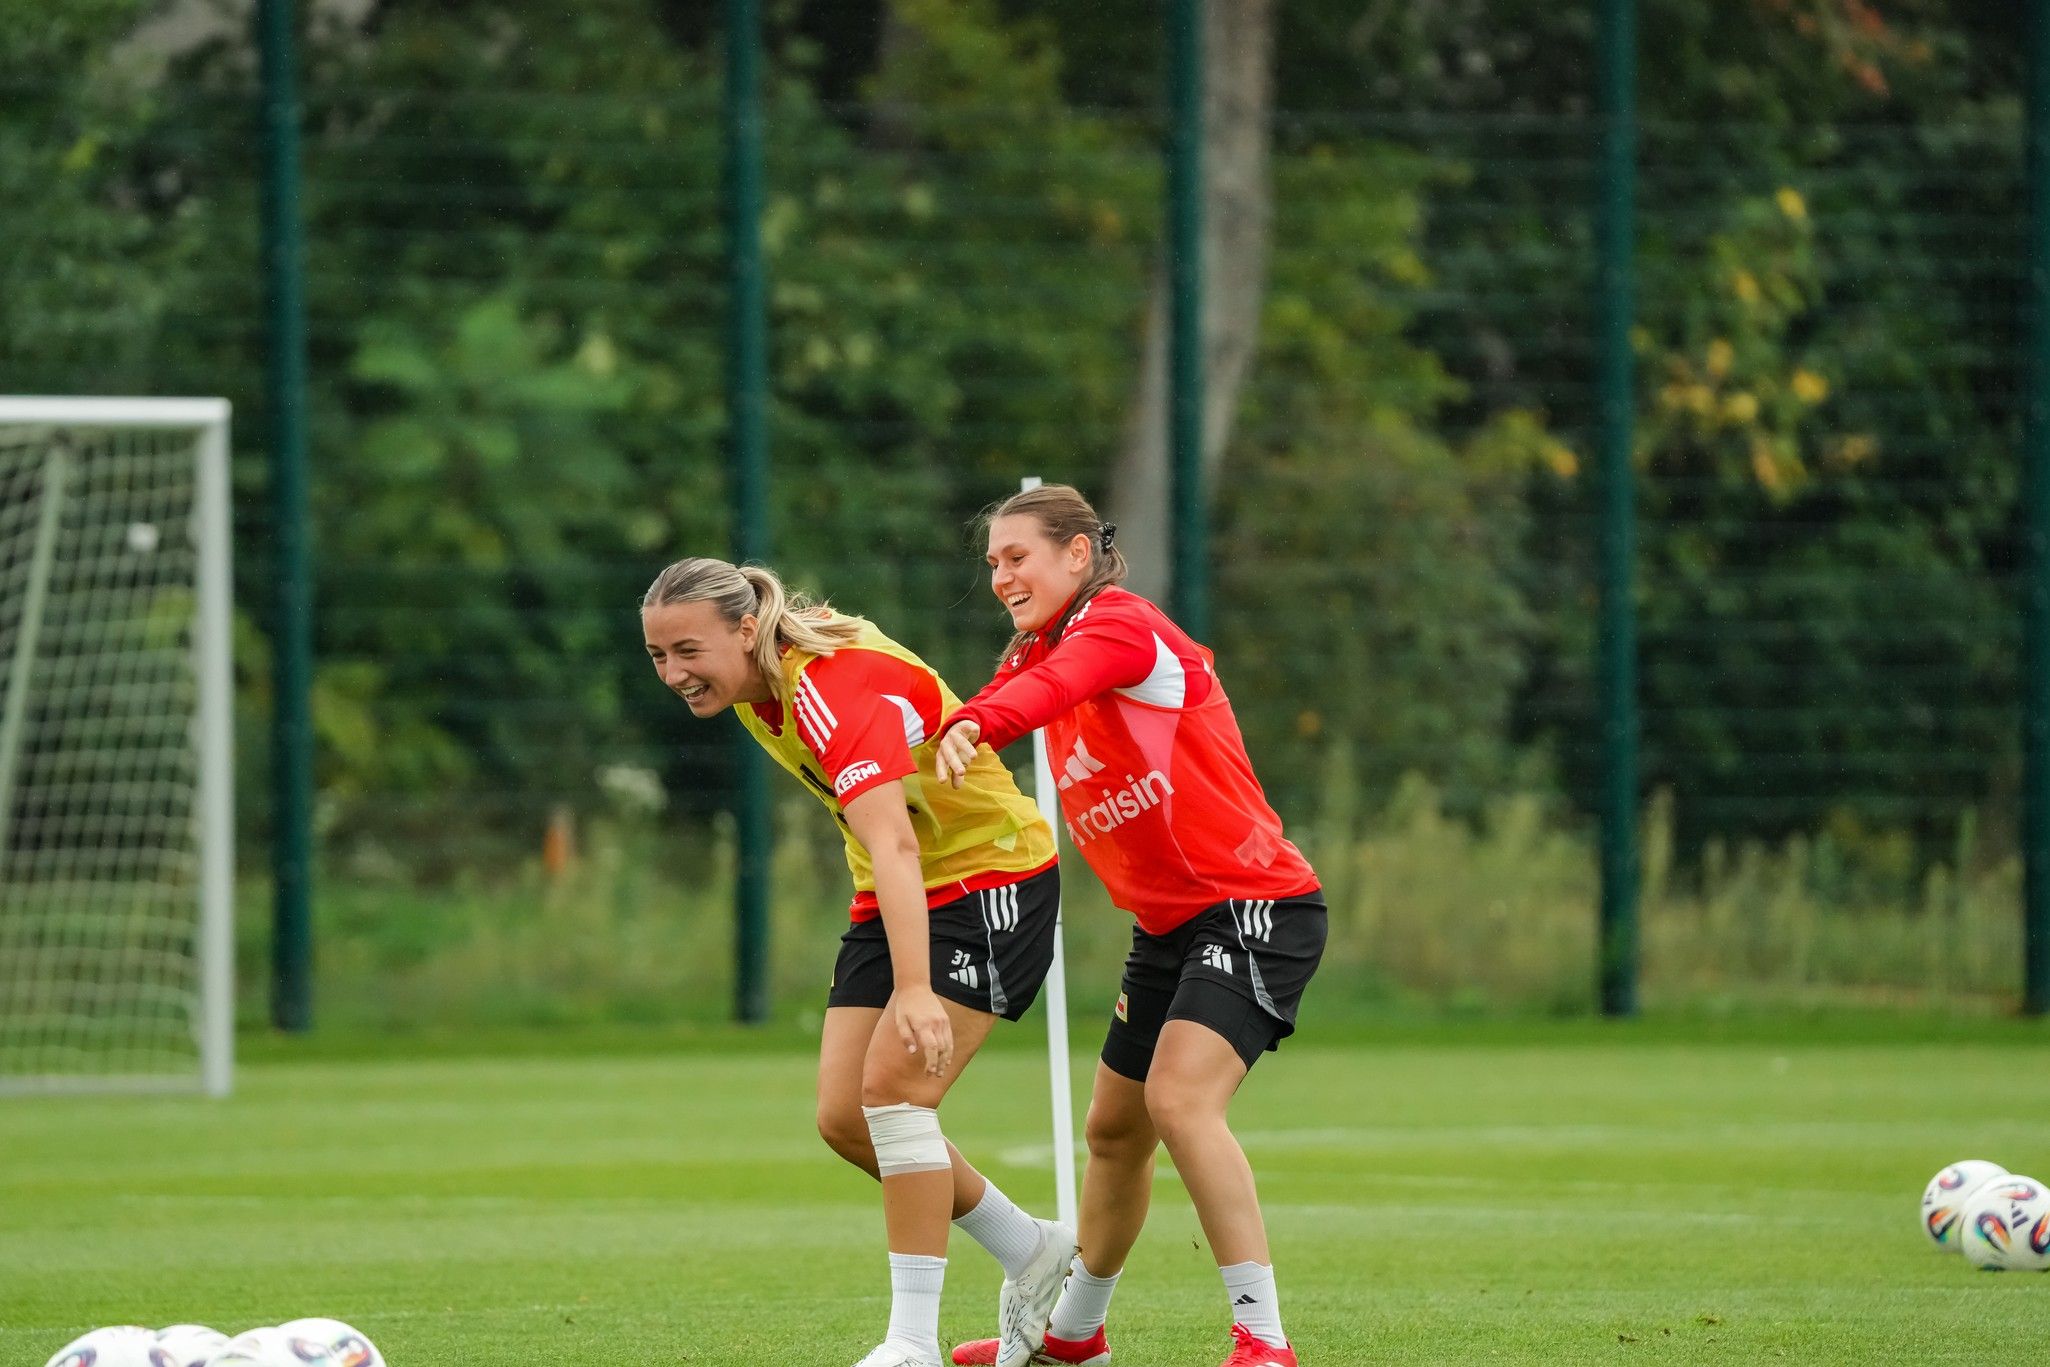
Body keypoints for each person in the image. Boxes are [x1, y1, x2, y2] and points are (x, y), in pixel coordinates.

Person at [642, 557, 1080, 1367]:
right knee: (847, 1116)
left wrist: (914, 988)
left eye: (687, 651)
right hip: (896, 890)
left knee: (894, 1093)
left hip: (991, 876)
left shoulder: (828, 688)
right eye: (659, 655)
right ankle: (1032, 1248)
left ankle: (910, 1343)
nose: (674, 673)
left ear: (745, 630)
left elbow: (896, 837)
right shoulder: (752, 690)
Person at [933, 486, 1326, 1367]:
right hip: (1169, 926)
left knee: (1180, 1099)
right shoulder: (1037, 649)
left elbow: (1031, 699)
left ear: (1078, 553)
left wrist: (976, 720)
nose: (1001, 575)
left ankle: (1263, 1339)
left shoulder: (1118, 625)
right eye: (992, 562)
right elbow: (984, 708)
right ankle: (1074, 1332)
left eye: (1017, 556)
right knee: (1114, 1131)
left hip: (1255, 903)